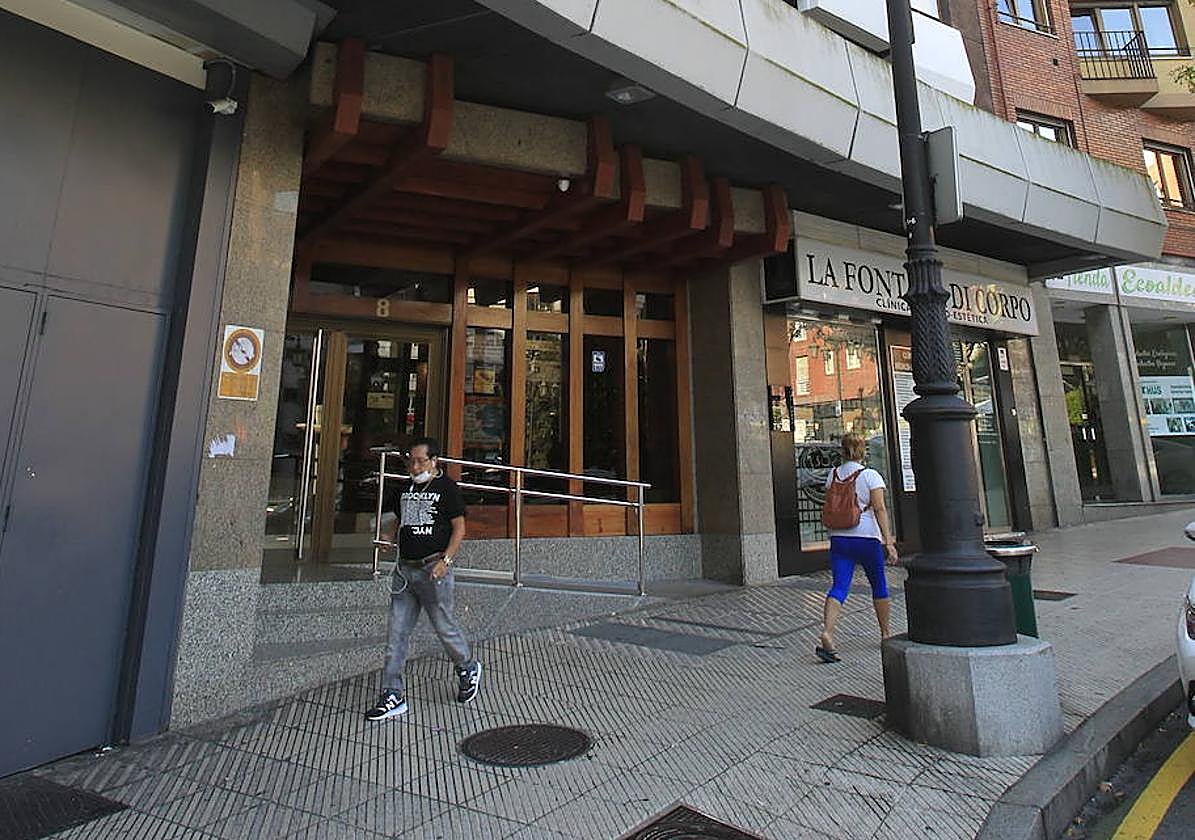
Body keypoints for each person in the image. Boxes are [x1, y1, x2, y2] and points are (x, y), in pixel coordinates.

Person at [365, 437, 482, 721]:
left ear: (434, 461)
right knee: (396, 633)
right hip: (405, 569)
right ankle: (392, 693)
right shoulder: (404, 488)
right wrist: (388, 539)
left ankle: (466, 666)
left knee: (443, 625)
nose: (414, 466)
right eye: (411, 461)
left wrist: (446, 561)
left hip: (433, 568)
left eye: (420, 461)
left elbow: (459, 528)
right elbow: (397, 518)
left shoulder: (446, 489)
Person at [815, 432, 899, 663]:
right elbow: (880, 509)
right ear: (863, 450)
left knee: (839, 586)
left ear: (842, 450)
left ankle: (828, 632)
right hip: (867, 538)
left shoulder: (833, 476)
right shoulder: (871, 476)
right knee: (879, 585)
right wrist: (889, 542)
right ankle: (885, 633)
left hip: (839, 538)